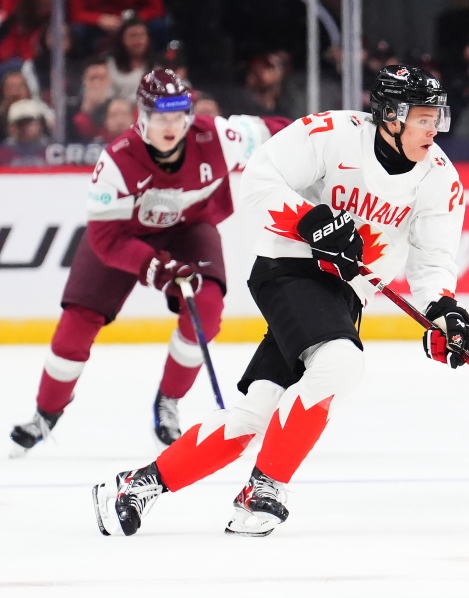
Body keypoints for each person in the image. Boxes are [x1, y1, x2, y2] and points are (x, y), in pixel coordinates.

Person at [91, 64, 469, 538]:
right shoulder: (333, 134)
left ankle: (133, 486)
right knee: (341, 363)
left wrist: (443, 310)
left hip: (345, 293)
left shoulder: (439, 179)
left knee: (255, 414)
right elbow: (260, 177)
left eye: (437, 118)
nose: (433, 129)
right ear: (390, 116)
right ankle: (264, 486)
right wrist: (310, 219)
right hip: (289, 267)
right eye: (422, 117)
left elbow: (433, 261)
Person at [9, 68, 289, 455]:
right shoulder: (116, 162)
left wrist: (335, 136)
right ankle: (46, 413)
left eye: (178, 116)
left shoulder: (220, 136)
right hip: (123, 236)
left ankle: (168, 402)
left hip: (189, 229)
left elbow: (288, 134)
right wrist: (155, 267)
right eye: (160, 117)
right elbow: (107, 239)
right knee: (76, 325)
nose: (171, 126)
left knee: (205, 310)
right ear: (142, 116)